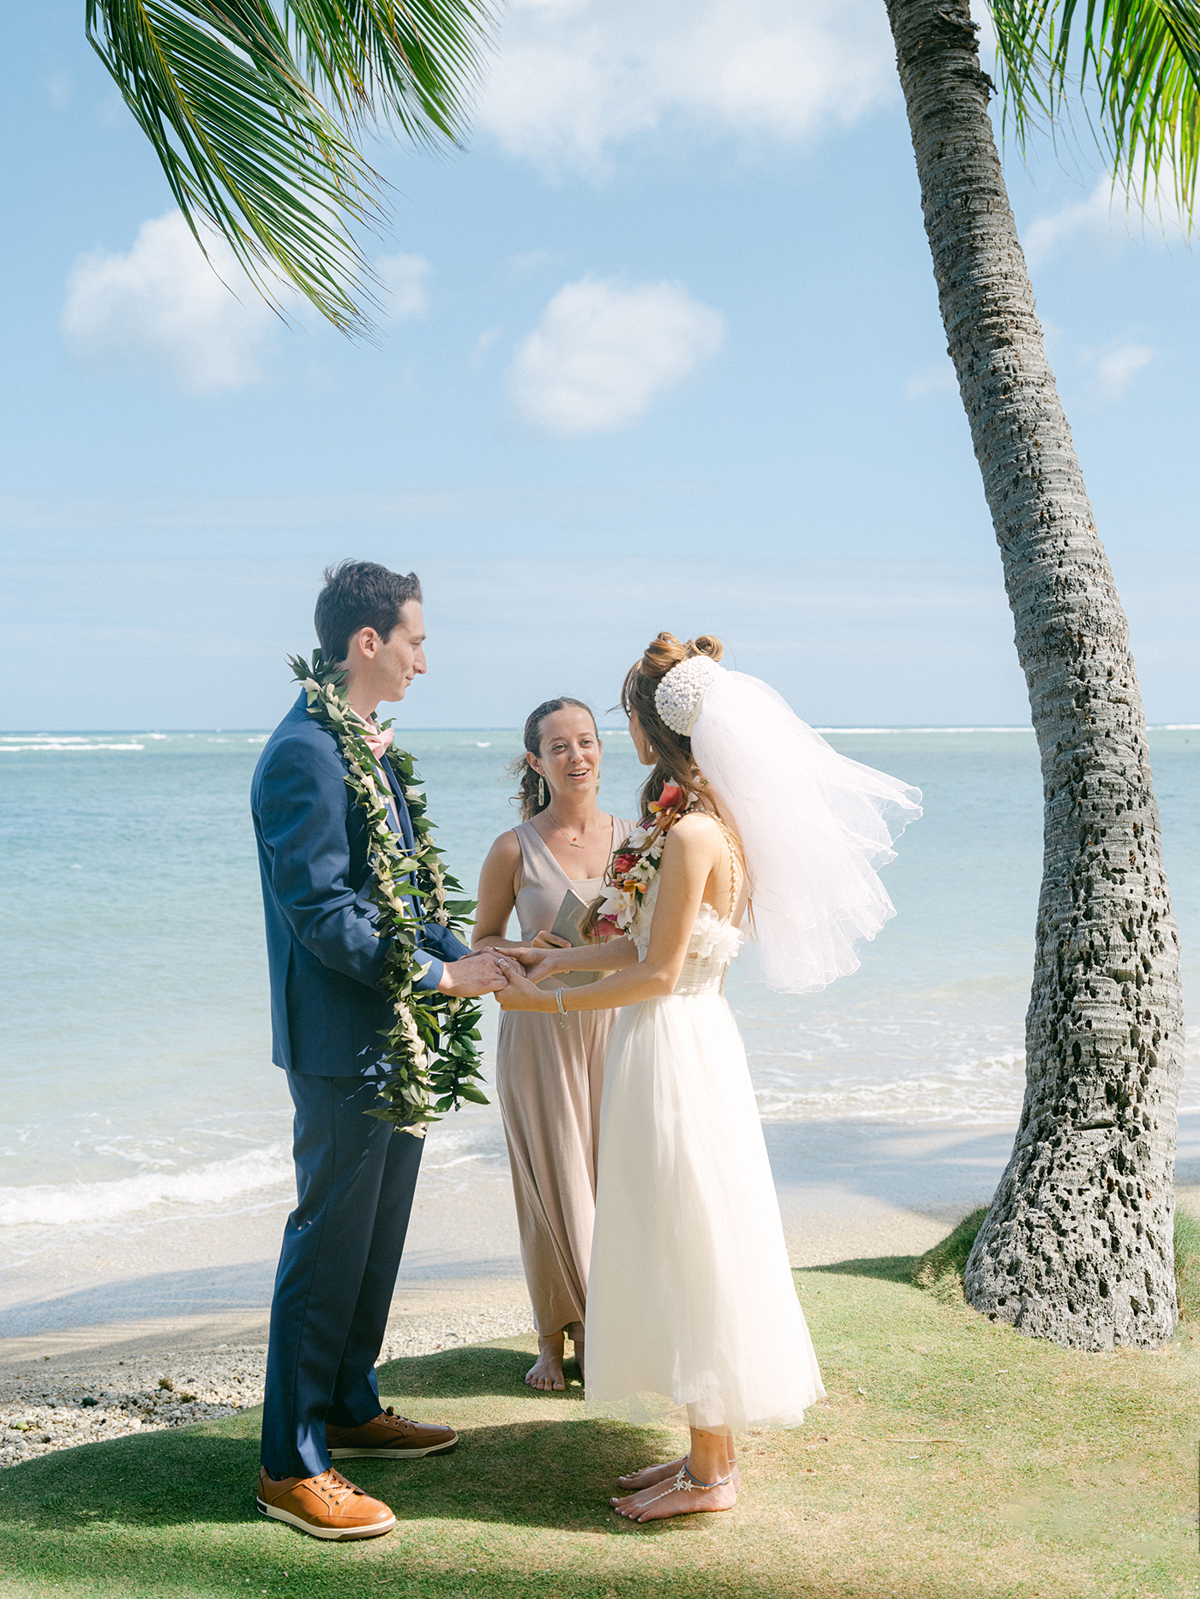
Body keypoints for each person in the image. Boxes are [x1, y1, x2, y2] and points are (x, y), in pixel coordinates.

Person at [496, 632, 921, 1522]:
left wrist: (552, 1007)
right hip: (678, 1040)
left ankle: (714, 1471)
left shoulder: (690, 832)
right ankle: (698, 1456)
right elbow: (641, 943)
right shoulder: (697, 821)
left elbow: (657, 971)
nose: (621, 737)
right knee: (676, 1233)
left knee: (695, 1241)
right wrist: (555, 964)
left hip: (675, 1042)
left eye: (625, 720)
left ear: (655, 728)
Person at [250, 561, 515, 1542]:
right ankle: (290, 1464)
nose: (423, 659)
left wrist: (472, 952)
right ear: (368, 642)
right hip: (339, 1041)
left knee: (375, 1239)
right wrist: (444, 980)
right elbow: (322, 912)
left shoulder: (362, 746)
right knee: (326, 1244)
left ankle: (351, 1409)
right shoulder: (306, 756)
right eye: (416, 639)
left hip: (389, 1032)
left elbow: (397, 895)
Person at [473, 699, 632, 1392]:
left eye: (587, 741)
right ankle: (550, 1337)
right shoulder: (514, 847)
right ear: (536, 761)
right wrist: (518, 946)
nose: (577, 756)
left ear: (603, 750)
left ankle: (609, 1324)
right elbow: (476, 942)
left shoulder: (638, 839)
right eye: (559, 746)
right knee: (550, 1181)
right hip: (537, 1034)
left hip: (616, 1026)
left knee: (612, 1180)